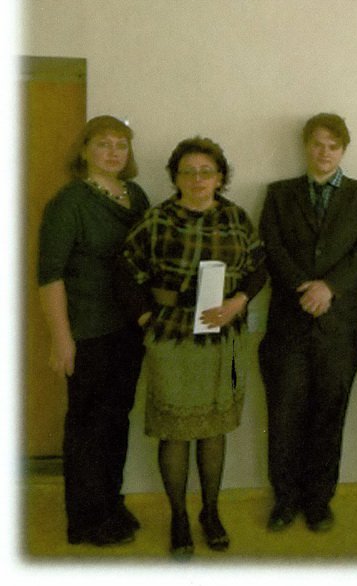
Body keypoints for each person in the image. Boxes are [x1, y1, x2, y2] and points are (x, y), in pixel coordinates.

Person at [121, 137, 266, 557]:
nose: (198, 179)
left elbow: (259, 267)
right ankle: (179, 518)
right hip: (173, 337)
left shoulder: (236, 218)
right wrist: (146, 319)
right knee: (176, 432)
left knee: (213, 429)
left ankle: (211, 512)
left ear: (220, 177)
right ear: (176, 177)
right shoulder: (157, 220)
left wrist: (239, 301)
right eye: (189, 172)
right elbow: (124, 272)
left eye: (207, 172)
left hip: (223, 336)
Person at [258, 114, 357, 533]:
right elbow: (272, 247)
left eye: (333, 145)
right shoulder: (279, 194)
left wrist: (329, 288)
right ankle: (285, 500)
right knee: (284, 415)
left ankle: (318, 502)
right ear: (305, 146)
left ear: (343, 149)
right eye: (317, 144)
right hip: (289, 324)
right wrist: (305, 288)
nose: (324, 152)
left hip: (340, 325)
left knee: (330, 415)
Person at [37, 115, 150, 547]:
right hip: (86, 332)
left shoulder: (135, 195)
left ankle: (110, 504)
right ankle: (86, 520)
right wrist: (60, 338)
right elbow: (50, 275)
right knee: (88, 426)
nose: (113, 152)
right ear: (84, 150)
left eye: (121, 144)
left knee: (116, 420)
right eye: (103, 144)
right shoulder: (69, 202)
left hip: (129, 329)